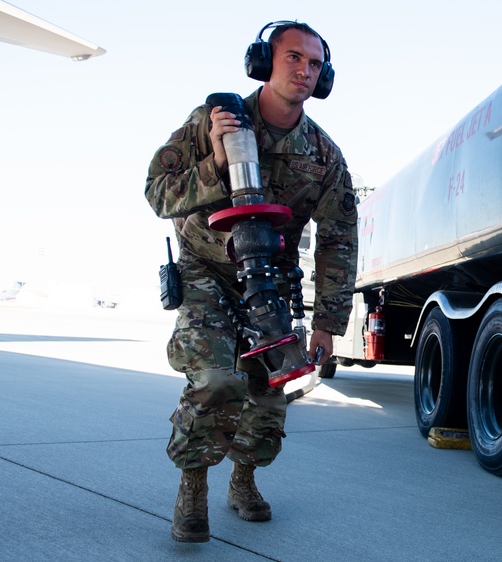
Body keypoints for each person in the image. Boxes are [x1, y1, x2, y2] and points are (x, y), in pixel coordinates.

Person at [145, 21, 357, 543]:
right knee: (218, 381)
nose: (304, 71)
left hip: (271, 279)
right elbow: (156, 191)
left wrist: (329, 323)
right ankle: (192, 487)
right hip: (206, 270)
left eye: (314, 64)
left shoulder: (325, 157)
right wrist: (217, 161)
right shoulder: (214, 121)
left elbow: (338, 241)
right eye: (293, 58)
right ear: (264, 61)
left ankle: (243, 480)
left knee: (269, 395)